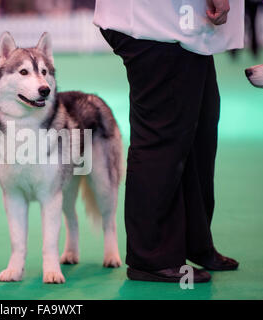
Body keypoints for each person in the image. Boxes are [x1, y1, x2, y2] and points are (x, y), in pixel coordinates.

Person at [95, 0, 243, 282]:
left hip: (182, 28)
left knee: (199, 132)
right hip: (158, 25)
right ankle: (151, 257)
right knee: (162, 140)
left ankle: (193, 242)